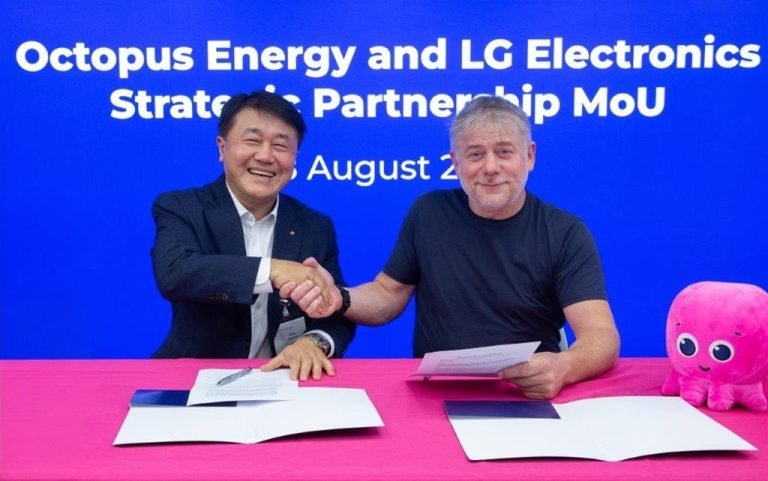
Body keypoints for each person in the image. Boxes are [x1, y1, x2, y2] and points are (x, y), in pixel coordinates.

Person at [283, 95, 619, 399]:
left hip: (525, 394)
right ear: (456, 162)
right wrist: (339, 298)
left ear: (529, 156)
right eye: (475, 154)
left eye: (504, 152)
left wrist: (564, 366)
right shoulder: (429, 212)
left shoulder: (565, 232)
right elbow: (387, 295)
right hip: (436, 395)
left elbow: (601, 336)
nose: (490, 167)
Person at [151, 90, 354, 381]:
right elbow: (175, 274)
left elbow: (334, 309)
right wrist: (272, 270)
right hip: (193, 377)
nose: (265, 156)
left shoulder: (315, 225)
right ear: (222, 147)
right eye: (252, 140)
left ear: (295, 158)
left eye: (280, 145)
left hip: (284, 379)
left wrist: (313, 342)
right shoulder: (182, 207)